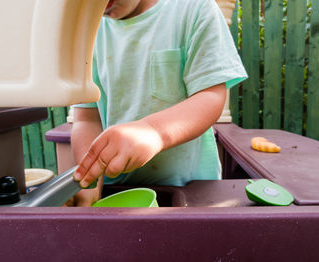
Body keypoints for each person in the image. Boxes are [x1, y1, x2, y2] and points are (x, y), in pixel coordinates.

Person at [66, 0, 247, 206]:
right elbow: (87, 118)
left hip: (191, 192)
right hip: (117, 193)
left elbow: (210, 97)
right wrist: (89, 181)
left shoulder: (194, 9)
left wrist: (153, 131)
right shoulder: (88, 33)